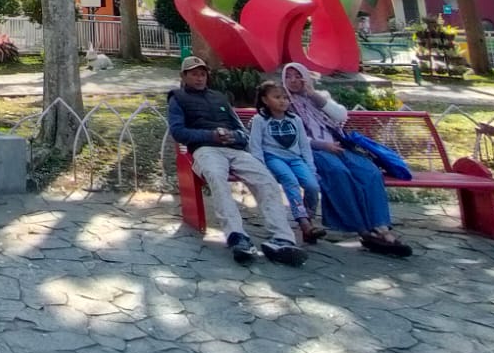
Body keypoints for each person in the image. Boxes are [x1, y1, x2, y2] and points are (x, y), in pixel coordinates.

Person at [167, 57, 306, 266]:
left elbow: (241, 130)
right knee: (217, 178)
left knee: (265, 179)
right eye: (194, 74)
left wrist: (235, 137)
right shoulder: (178, 98)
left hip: (234, 149)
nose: (199, 78)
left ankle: (282, 238)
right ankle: (237, 236)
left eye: (202, 73)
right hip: (206, 149)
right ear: (184, 76)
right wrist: (211, 135)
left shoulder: (219, 98)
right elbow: (178, 132)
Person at [281, 62, 412, 257]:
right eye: (288, 77)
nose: (293, 81)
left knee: (369, 172)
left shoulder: (320, 97)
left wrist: (312, 95)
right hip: (313, 149)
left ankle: (381, 227)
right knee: (338, 173)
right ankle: (363, 230)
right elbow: (292, 136)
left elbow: (341, 115)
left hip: (340, 145)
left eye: (297, 75)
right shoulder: (284, 102)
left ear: (305, 78)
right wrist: (324, 146)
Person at [248, 81, 324, 244]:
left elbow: (304, 145)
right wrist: (261, 168)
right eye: (277, 97)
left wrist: (310, 167)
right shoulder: (259, 120)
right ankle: (303, 222)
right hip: (274, 158)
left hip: (296, 159)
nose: (282, 101)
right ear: (265, 100)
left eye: (285, 98)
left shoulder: (294, 119)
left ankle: (309, 219)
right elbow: (255, 146)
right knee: (290, 181)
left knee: (312, 185)